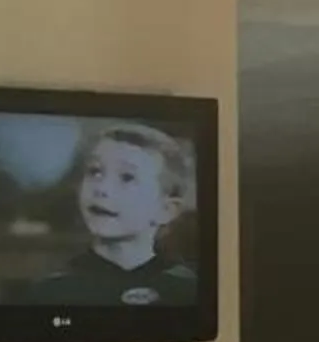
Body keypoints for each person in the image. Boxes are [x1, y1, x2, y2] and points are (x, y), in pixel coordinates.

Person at [24, 124, 200, 307]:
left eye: (127, 177)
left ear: (166, 210)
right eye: (95, 171)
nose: (101, 189)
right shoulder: (52, 291)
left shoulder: (188, 290)